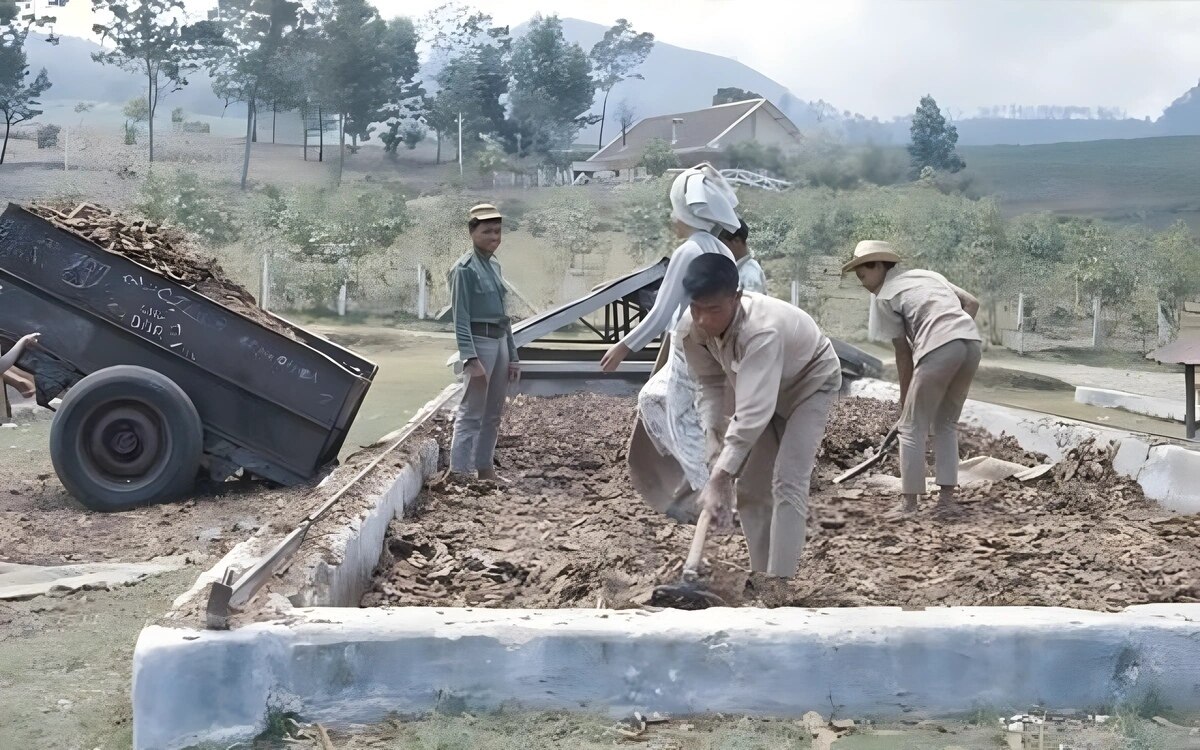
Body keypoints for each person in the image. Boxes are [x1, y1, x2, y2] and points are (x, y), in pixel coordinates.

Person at [680, 253, 841, 591]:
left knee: (788, 478)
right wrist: (714, 448)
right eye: (697, 308)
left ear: (736, 299)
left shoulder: (760, 331)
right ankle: (761, 575)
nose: (704, 319)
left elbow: (752, 414)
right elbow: (708, 384)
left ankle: (779, 584)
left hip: (810, 383)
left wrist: (720, 477)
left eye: (714, 310)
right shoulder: (690, 327)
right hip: (761, 390)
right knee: (752, 488)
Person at [601, 164, 740, 515]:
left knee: (684, 426)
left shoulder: (689, 251)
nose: (671, 219)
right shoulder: (722, 250)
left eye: (673, 210)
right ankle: (709, 485)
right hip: (717, 344)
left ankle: (709, 496)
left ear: (686, 211)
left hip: (688, 346)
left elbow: (663, 311)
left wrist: (623, 346)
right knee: (655, 400)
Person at [842, 240, 981, 516]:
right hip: (971, 343)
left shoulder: (884, 296)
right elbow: (971, 303)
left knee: (910, 428)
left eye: (864, 275)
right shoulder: (928, 275)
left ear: (880, 266)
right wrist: (952, 333)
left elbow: (903, 354)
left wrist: (904, 402)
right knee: (946, 423)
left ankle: (909, 505)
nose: (864, 283)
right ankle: (945, 502)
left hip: (940, 346)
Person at [447, 204, 520, 481]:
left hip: (499, 341)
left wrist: (513, 355)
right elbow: (460, 318)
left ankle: (485, 468)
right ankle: (459, 472)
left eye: (498, 231)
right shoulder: (464, 269)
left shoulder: (494, 264)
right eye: (487, 231)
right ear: (472, 232)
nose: (494, 237)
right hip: (480, 342)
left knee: (494, 411)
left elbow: (504, 314)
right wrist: (470, 358)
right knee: (472, 410)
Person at [718, 219, 767, 294]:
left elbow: (750, 304)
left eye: (722, 242)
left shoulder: (750, 271)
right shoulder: (737, 269)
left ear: (736, 241)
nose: (719, 247)